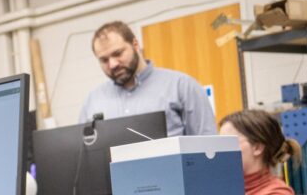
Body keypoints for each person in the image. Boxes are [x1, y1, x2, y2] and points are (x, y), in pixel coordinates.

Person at [80, 21, 217, 137]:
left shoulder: (181, 86)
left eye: (118, 53)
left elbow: (209, 148)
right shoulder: (93, 101)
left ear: (135, 45)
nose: (113, 64)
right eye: (104, 60)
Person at [219, 109, 300, 195]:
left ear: (257, 148)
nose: (220, 149)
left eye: (227, 142)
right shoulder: (226, 187)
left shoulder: (279, 194)